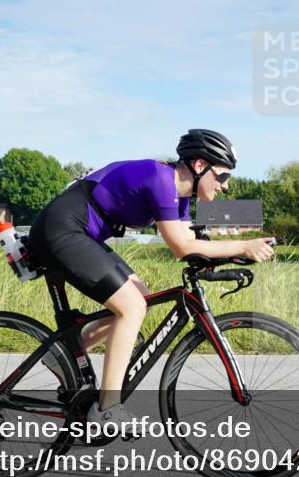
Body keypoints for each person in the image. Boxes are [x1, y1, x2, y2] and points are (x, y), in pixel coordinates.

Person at [26, 129, 275, 427]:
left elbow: (190, 246)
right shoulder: (160, 180)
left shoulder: (181, 197)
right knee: (132, 307)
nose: (225, 185)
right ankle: (107, 408)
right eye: (221, 176)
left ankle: (63, 355)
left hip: (79, 233)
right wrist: (242, 245)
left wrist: (233, 256)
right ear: (199, 166)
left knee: (139, 296)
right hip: (61, 230)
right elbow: (182, 246)